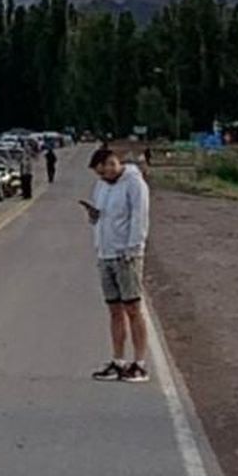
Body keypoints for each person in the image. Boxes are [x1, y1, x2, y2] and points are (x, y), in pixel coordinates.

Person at [83, 147, 152, 383]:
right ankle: (118, 360)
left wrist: (133, 249)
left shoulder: (134, 183)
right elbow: (102, 217)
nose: (104, 175)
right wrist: (94, 217)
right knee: (114, 310)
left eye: (107, 169)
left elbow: (139, 217)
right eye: (99, 173)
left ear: (114, 163)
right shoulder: (102, 186)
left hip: (126, 254)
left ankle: (140, 363)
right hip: (105, 253)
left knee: (132, 308)